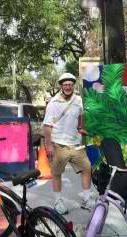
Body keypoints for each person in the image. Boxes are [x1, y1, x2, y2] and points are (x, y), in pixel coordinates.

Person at [43, 72, 93, 215]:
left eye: (70, 84)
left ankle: (86, 198)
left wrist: (80, 127)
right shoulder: (53, 103)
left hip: (76, 144)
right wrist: (48, 145)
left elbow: (81, 115)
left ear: (73, 86)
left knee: (86, 169)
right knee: (57, 173)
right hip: (59, 145)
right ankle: (58, 201)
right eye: (65, 84)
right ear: (61, 86)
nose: (68, 87)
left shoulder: (78, 100)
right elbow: (47, 126)